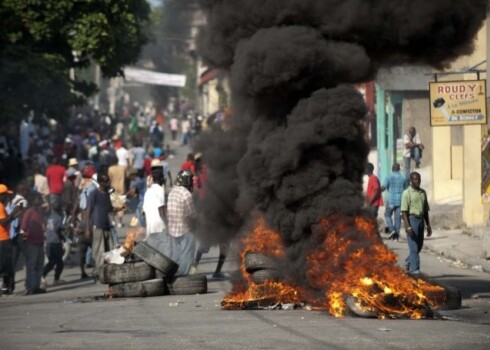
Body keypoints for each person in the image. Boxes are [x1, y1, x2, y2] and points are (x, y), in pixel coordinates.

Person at [86, 173, 123, 275]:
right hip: (97, 226)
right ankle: (98, 273)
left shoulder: (107, 194)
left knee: (109, 250)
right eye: (106, 181)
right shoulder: (94, 194)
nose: (108, 183)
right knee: (99, 251)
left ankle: (107, 272)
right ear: (100, 182)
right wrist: (87, 229)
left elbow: (109, 208)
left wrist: (119, 208)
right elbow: (88, 211)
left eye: (108, 181)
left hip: (107, 225)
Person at [401, 172, 432, 277]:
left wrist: (428, 225)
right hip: (411, 220)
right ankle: (415, 271)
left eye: (419, 179)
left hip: (421, 221)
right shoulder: (406, 193)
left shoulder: (423, 193)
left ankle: (408, 262)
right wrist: (408, 226)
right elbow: (404, 212)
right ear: (411, 180)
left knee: (419, 246)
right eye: (415, 179)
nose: (417, 181)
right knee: (413, 247)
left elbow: (426, 211)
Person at [167, 170, 196, 276]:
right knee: (187, 253)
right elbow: (191, 214)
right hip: (184, 230)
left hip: (172, 230)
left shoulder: (172, 192)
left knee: (176, 254)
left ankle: (176, 274)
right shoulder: (186, 193)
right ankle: (184, 275)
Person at [0, 184, 24, 295]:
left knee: (7, 265)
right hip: (2, 239)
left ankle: (6, 289)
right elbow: (3, 222)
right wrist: (14, 215)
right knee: (4, 265)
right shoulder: (0, 206)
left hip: (4, 238)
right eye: (5, 195)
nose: (7, 197)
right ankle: (5, 289)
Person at [21, 192, 46, 295]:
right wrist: (27, 237)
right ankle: (30, 287)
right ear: (32, 201)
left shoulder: (39, 212)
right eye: (38, 199)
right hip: (32, 243)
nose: (40, 201)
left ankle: (36, 287)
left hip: (40, 242)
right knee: (31, 265)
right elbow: (23, 226)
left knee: (39, 265)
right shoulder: (29, 212)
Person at [381, 163, 407, 241]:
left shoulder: (389, 177)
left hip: (391, 200)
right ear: (399, 169)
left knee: (387, 215)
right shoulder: (403, 177)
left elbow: (383, 187)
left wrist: (378, 191)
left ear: (392, 169)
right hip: (400, 201)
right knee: (397, 219)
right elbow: (406, 189)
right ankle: (396, 237)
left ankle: (392, 230)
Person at [41, 202, 64, 285]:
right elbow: (58, 230)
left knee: (52, 261)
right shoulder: (58, 218)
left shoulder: (49, 217)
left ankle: (43, 275)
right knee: (59, 263)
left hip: (48, 242)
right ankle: (56, 279)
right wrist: (63, 238)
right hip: (56, 242)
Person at [143, 163, 167, 238]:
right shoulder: (160, 189)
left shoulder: (148, 191)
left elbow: (144, 210)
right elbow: (161, 208)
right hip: (159, 225)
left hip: (150, 225)